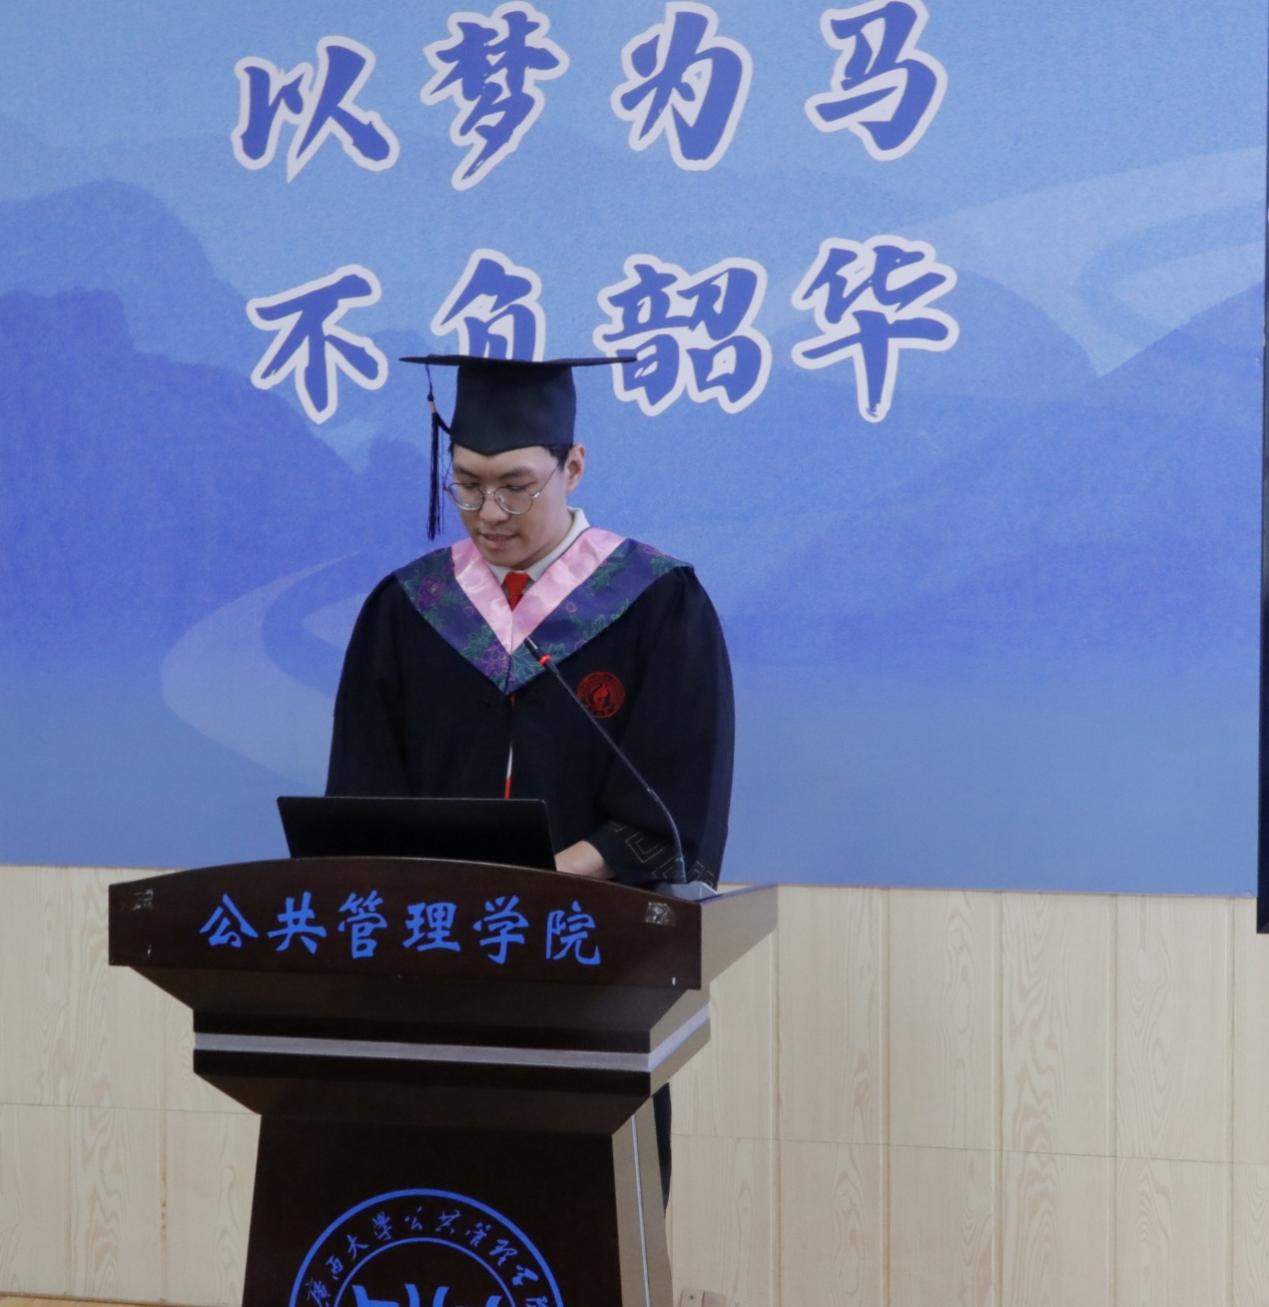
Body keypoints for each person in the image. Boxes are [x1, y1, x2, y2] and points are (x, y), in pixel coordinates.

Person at [325, 353, 735, 1204]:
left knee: (578, 1211)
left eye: (515, 487)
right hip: (431, 965)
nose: (488, 513)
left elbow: (672, 804)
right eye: (467, 485)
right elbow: (359, 798)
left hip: (590, 963)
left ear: (571, 466)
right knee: (431, 1201)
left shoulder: (655, 602)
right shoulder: (409, 608)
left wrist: (545, 881)